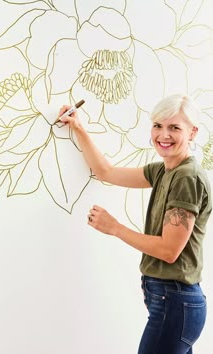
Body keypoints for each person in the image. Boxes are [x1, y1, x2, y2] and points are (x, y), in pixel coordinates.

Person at [58, 94, 212, 354]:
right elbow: (106, 172)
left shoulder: (186, 177)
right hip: (172, 301)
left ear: (193, 132)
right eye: (158, 126)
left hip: (175, 301)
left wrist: (115, 227)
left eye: (174, 127)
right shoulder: (164, 170)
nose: (163, 135)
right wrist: (78, 127)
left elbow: (169, 250)